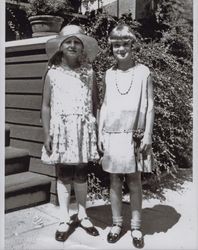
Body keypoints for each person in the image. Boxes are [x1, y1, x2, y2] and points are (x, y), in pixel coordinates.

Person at [41, 25, 100, 242]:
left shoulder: (89, 73)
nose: (73, 45)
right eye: (68, 41)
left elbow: (96, 104)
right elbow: (46, 106)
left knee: (82, 172)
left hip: (83, 129)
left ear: (82, 46)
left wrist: (98, 132)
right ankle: (64, 217)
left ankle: (83, 214)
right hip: (61, 130)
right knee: (64, 172)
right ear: (61, 46)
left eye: (77, 42)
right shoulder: (53, 73)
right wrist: (47, 134)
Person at [98, 24, 154, 248]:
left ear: (133, 45)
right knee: (114, 180)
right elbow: (104, 104)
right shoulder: (108, 74)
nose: (121, 49)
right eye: (116, 45)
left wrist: (148, 133)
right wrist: (100, 132)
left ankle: (136, 227)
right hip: (112, 133)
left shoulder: (143, 72)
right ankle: (116, 224)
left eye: (125, 44)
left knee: (134, 181)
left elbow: (150, 104)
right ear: (112, 48)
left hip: (135, 134)